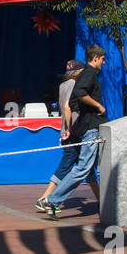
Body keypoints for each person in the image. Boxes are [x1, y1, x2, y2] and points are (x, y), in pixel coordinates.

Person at [42, 45, 107, 219]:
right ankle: (52, 200)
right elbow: (78, 95)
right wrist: (98, 105)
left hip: (87, 127)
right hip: (90, 128)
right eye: (102, 59)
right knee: (83, 168)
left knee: (90, 169)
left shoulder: (80, 78)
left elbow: (72, 102)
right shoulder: (89, 74)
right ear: (95, 58)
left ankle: (105, 200)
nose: (104, 62)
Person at [37, 59, 85, 213]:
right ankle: (45, 198)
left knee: (88, 168)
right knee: (66, 165)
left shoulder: (63, 85)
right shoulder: (74, 85)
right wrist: (70, 128)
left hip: (66, 128)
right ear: (78, 72)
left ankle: (101, 201)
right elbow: (67, 107)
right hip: (74, 129)